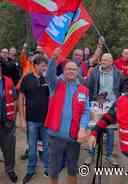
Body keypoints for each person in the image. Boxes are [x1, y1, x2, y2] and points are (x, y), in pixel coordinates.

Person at [46, 48, 90, 184]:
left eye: (74, 69)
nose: (71, 71)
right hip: (56, 136)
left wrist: (83, 128)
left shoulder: (83, 89)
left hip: (74, 136)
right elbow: (49, 75)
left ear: (78, 72)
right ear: (63, 71)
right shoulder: (56, 84)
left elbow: (86, 111)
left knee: (72, 168)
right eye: (68, 69)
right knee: (53, 169)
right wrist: (53, 59)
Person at [87, 53, 124, 165]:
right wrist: (92, 101)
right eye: (102, 60)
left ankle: (109, 154)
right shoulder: (95, 72)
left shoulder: (118, 74)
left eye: (106, 60)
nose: (103, 62)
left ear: (112, 62)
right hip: (97, 105)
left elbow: (122, 87)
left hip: (112, 106)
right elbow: (89, 86)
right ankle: (91, 154)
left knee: (110, 131)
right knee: (94, 129)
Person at [19, 55, 49, 183]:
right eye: (42, 65)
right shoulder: (27, 79)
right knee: (32, 148)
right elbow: (21, 99)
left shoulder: (47, 79)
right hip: (31, 120)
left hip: (46, 120)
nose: (44, 68)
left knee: (47, 146)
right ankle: (30, 171)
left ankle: (48, 169)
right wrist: (22, 119)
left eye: (45, 65)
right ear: (35, 65)